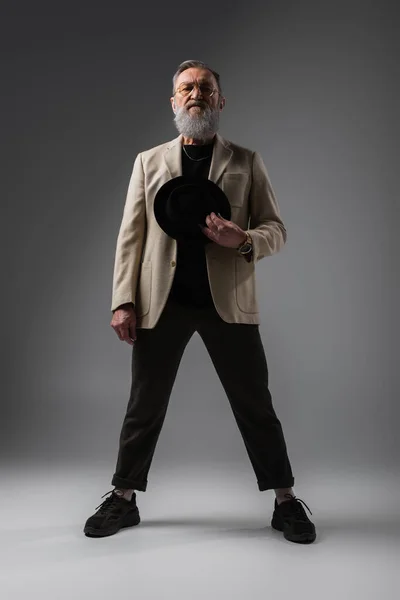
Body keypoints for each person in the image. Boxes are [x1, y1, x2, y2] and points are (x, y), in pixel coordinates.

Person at [83, 60, 316, 544]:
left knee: (255, 403)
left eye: (205, 88)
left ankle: (286, 500)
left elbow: (277, 229)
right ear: (173, 101)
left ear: (220, 100)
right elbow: (131, 238)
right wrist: (122, 301)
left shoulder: (247, 162)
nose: (196, 94)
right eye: (186, 88)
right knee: (143, 404)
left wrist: (244, 239)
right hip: (159, 303)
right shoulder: (148, 162)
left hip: (226, 302)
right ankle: (123, 498)